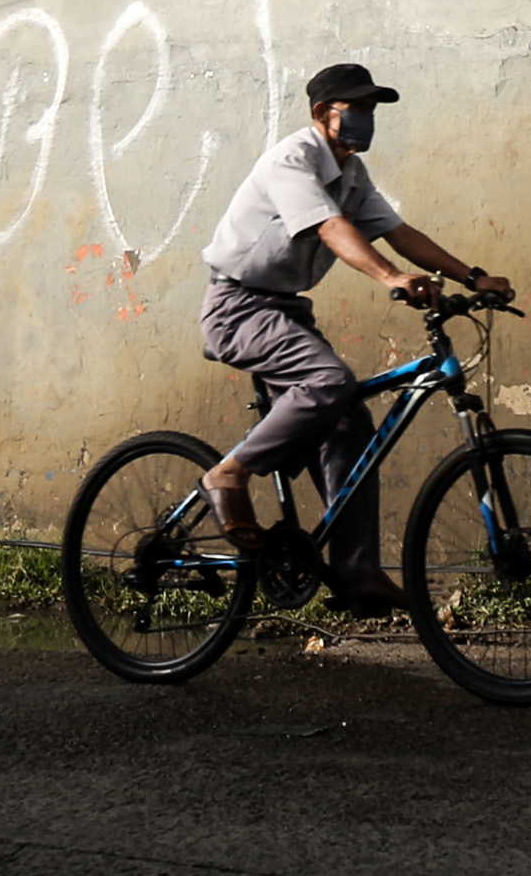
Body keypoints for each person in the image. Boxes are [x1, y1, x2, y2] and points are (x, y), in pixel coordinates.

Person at [197, 60, 513, 614]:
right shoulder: (293, 160)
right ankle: (230, 473)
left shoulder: (351, 175)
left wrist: (472, 277)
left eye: (372, 109)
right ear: (324, 112)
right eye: (358, 108)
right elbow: (329, 227)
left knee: (350, 423)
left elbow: (400, 233)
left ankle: (357, 571)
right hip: (238, 307)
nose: (368, 118)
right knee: (329, 381)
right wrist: (390, 278)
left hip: (287, 311)